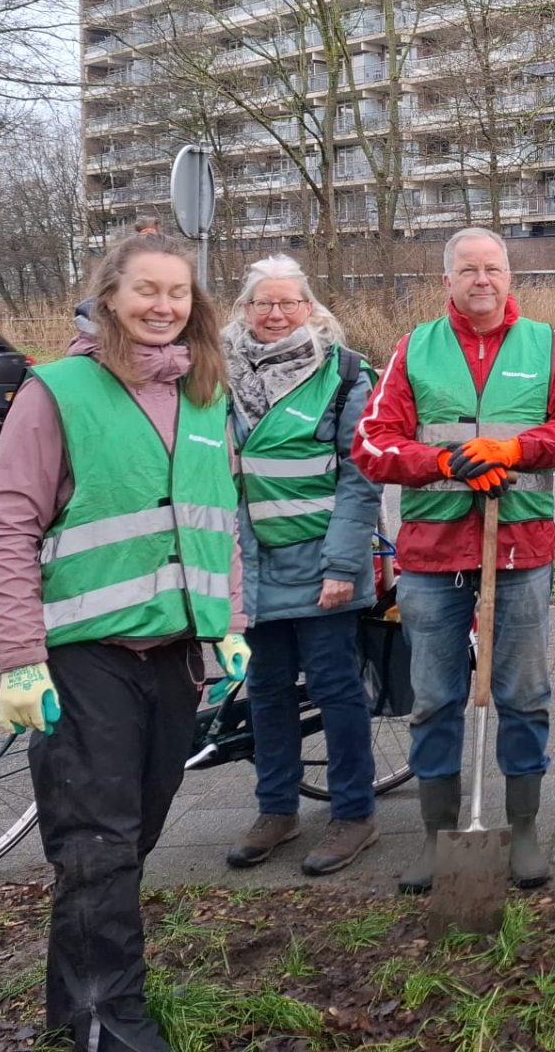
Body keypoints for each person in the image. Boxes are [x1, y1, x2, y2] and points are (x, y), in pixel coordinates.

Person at [0, 233, 246, 1052]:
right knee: (97, 846)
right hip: (83, 657)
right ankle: (109, 1023)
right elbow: (6, 525)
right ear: (110, 297)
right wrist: (21, 657)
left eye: (178, 293)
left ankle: (75, 1003)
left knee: (131, 839)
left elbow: (218, 519)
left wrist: (230, 621)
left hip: (175, 657)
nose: (163, 306)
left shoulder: (204, 395)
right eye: (146, 291)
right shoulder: (58, 392)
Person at [352, 227, 555, 894]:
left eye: (493, 268)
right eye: (468, 270)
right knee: (434, 698)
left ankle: (524, 828)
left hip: (519, 551)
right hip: (432, 558)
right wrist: (442, 462)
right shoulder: (414, 349)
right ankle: (436, 834)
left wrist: (516, 450)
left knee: (524, 693)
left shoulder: (547, 346)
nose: (482, 280)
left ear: (509, 277)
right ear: (447, 280)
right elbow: (372, 442)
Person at [221, 255, 384, 876]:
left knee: (335, 689)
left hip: (323, 567)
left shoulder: (343, 374)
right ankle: (276, 809)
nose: (275, 313)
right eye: (263, 303)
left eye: (288, 302)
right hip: (253, 567)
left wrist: (342, 565)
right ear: (245, 309)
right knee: (265, 691)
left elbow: (360, 480)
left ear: (309, 308)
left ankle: (354, 813)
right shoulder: (218, 375)